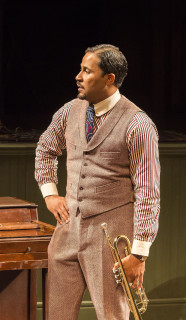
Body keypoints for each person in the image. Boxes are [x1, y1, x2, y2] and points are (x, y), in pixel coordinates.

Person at [35, 44, 160, 319]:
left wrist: (139, 254)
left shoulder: (138, 124)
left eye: (86, 71)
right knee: (56, 313)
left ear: (109, 78)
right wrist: (50, 193)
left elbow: (148, 192)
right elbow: (45, 147)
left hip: (110, 234)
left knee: (112, 315)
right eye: (80, 69)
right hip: (67, 230)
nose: (78, 76)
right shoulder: (70, 111)